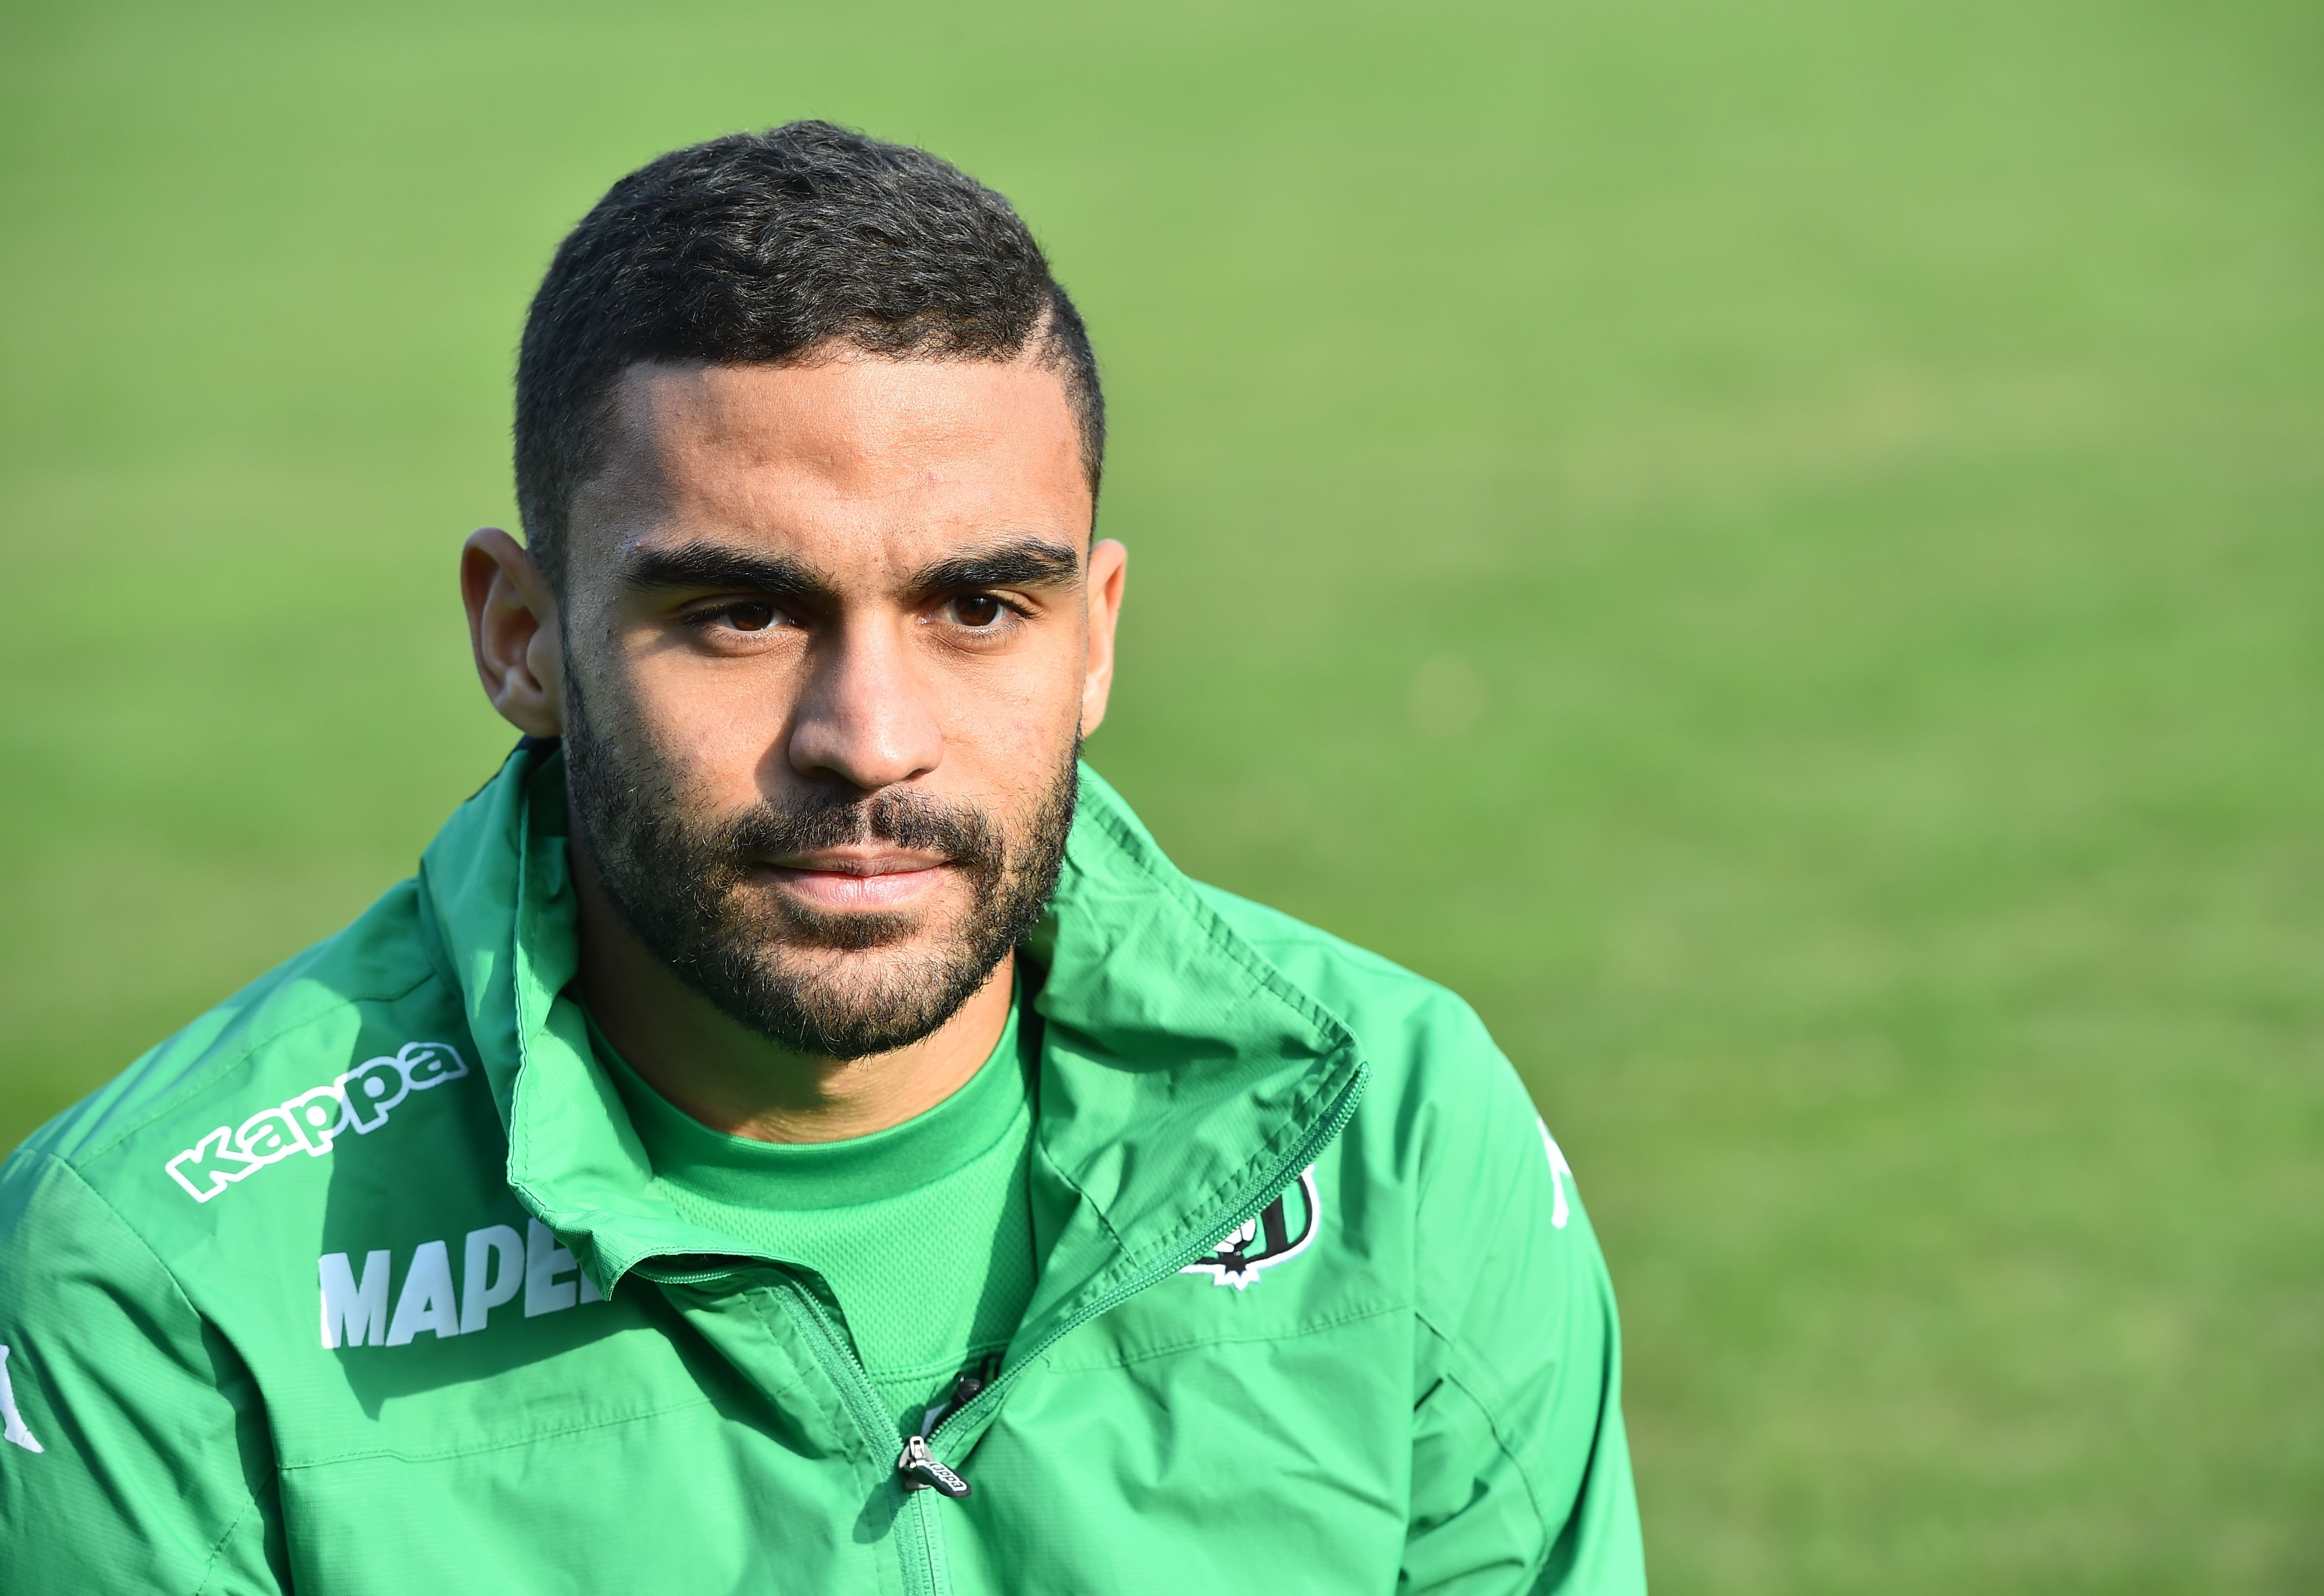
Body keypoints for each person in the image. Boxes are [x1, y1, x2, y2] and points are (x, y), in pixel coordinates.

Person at [0, 122, 1644, 1594]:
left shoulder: (1399, 1137)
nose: (869, 737)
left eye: (980, 607)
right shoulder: (162, 1281)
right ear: (523, 640)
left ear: (1095, 639)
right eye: (741, 611)